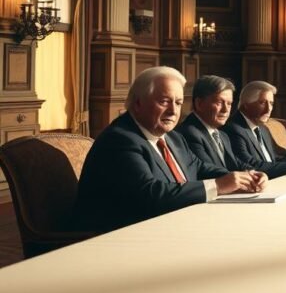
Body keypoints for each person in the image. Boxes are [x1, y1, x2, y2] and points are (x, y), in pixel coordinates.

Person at [75, 67, 265, 233]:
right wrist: (219, 185)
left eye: (178, 103)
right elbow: (150, 194)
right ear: (138, 103)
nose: (174, 111)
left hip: (173, 225)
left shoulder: (173, 137)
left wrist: (243, 178)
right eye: (164, 101)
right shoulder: (120, 140)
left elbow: (199, 167)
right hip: (118, 240)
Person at [178, 75, 286, 179]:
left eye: (229, 103)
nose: (226, 110)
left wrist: (254, 175)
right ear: (199, 104)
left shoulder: (221, 135)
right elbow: (208, 173)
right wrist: (249, 177)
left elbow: (238, 165)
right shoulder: (190, 133)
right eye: (220, 102)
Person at [222, 80, 286, 169]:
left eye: (271, 103)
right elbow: (250, 164)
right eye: (262, 103)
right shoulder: (233, 129)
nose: (269, 109)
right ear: (246, 105)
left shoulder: (263, 128)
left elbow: (272, 160)